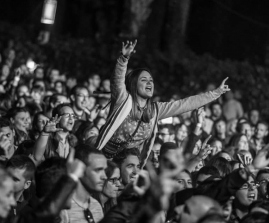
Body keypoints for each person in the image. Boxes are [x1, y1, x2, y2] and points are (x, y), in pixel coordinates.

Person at [95, 40, 230, 164]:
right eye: (144, 80)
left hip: (131, 163)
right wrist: (123, 59)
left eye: (151, 80)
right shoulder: (123, 100)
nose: (149, 83)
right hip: (104, 158)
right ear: (134, 84)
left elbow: (186, 104)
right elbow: (117, 81)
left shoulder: (155, 110)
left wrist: (216, 93)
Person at [61, 144, 106, 223]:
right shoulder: (62, 209)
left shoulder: (96, 205)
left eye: (104, 170)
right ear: (80, 170)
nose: (104, 176)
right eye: (98, 170)